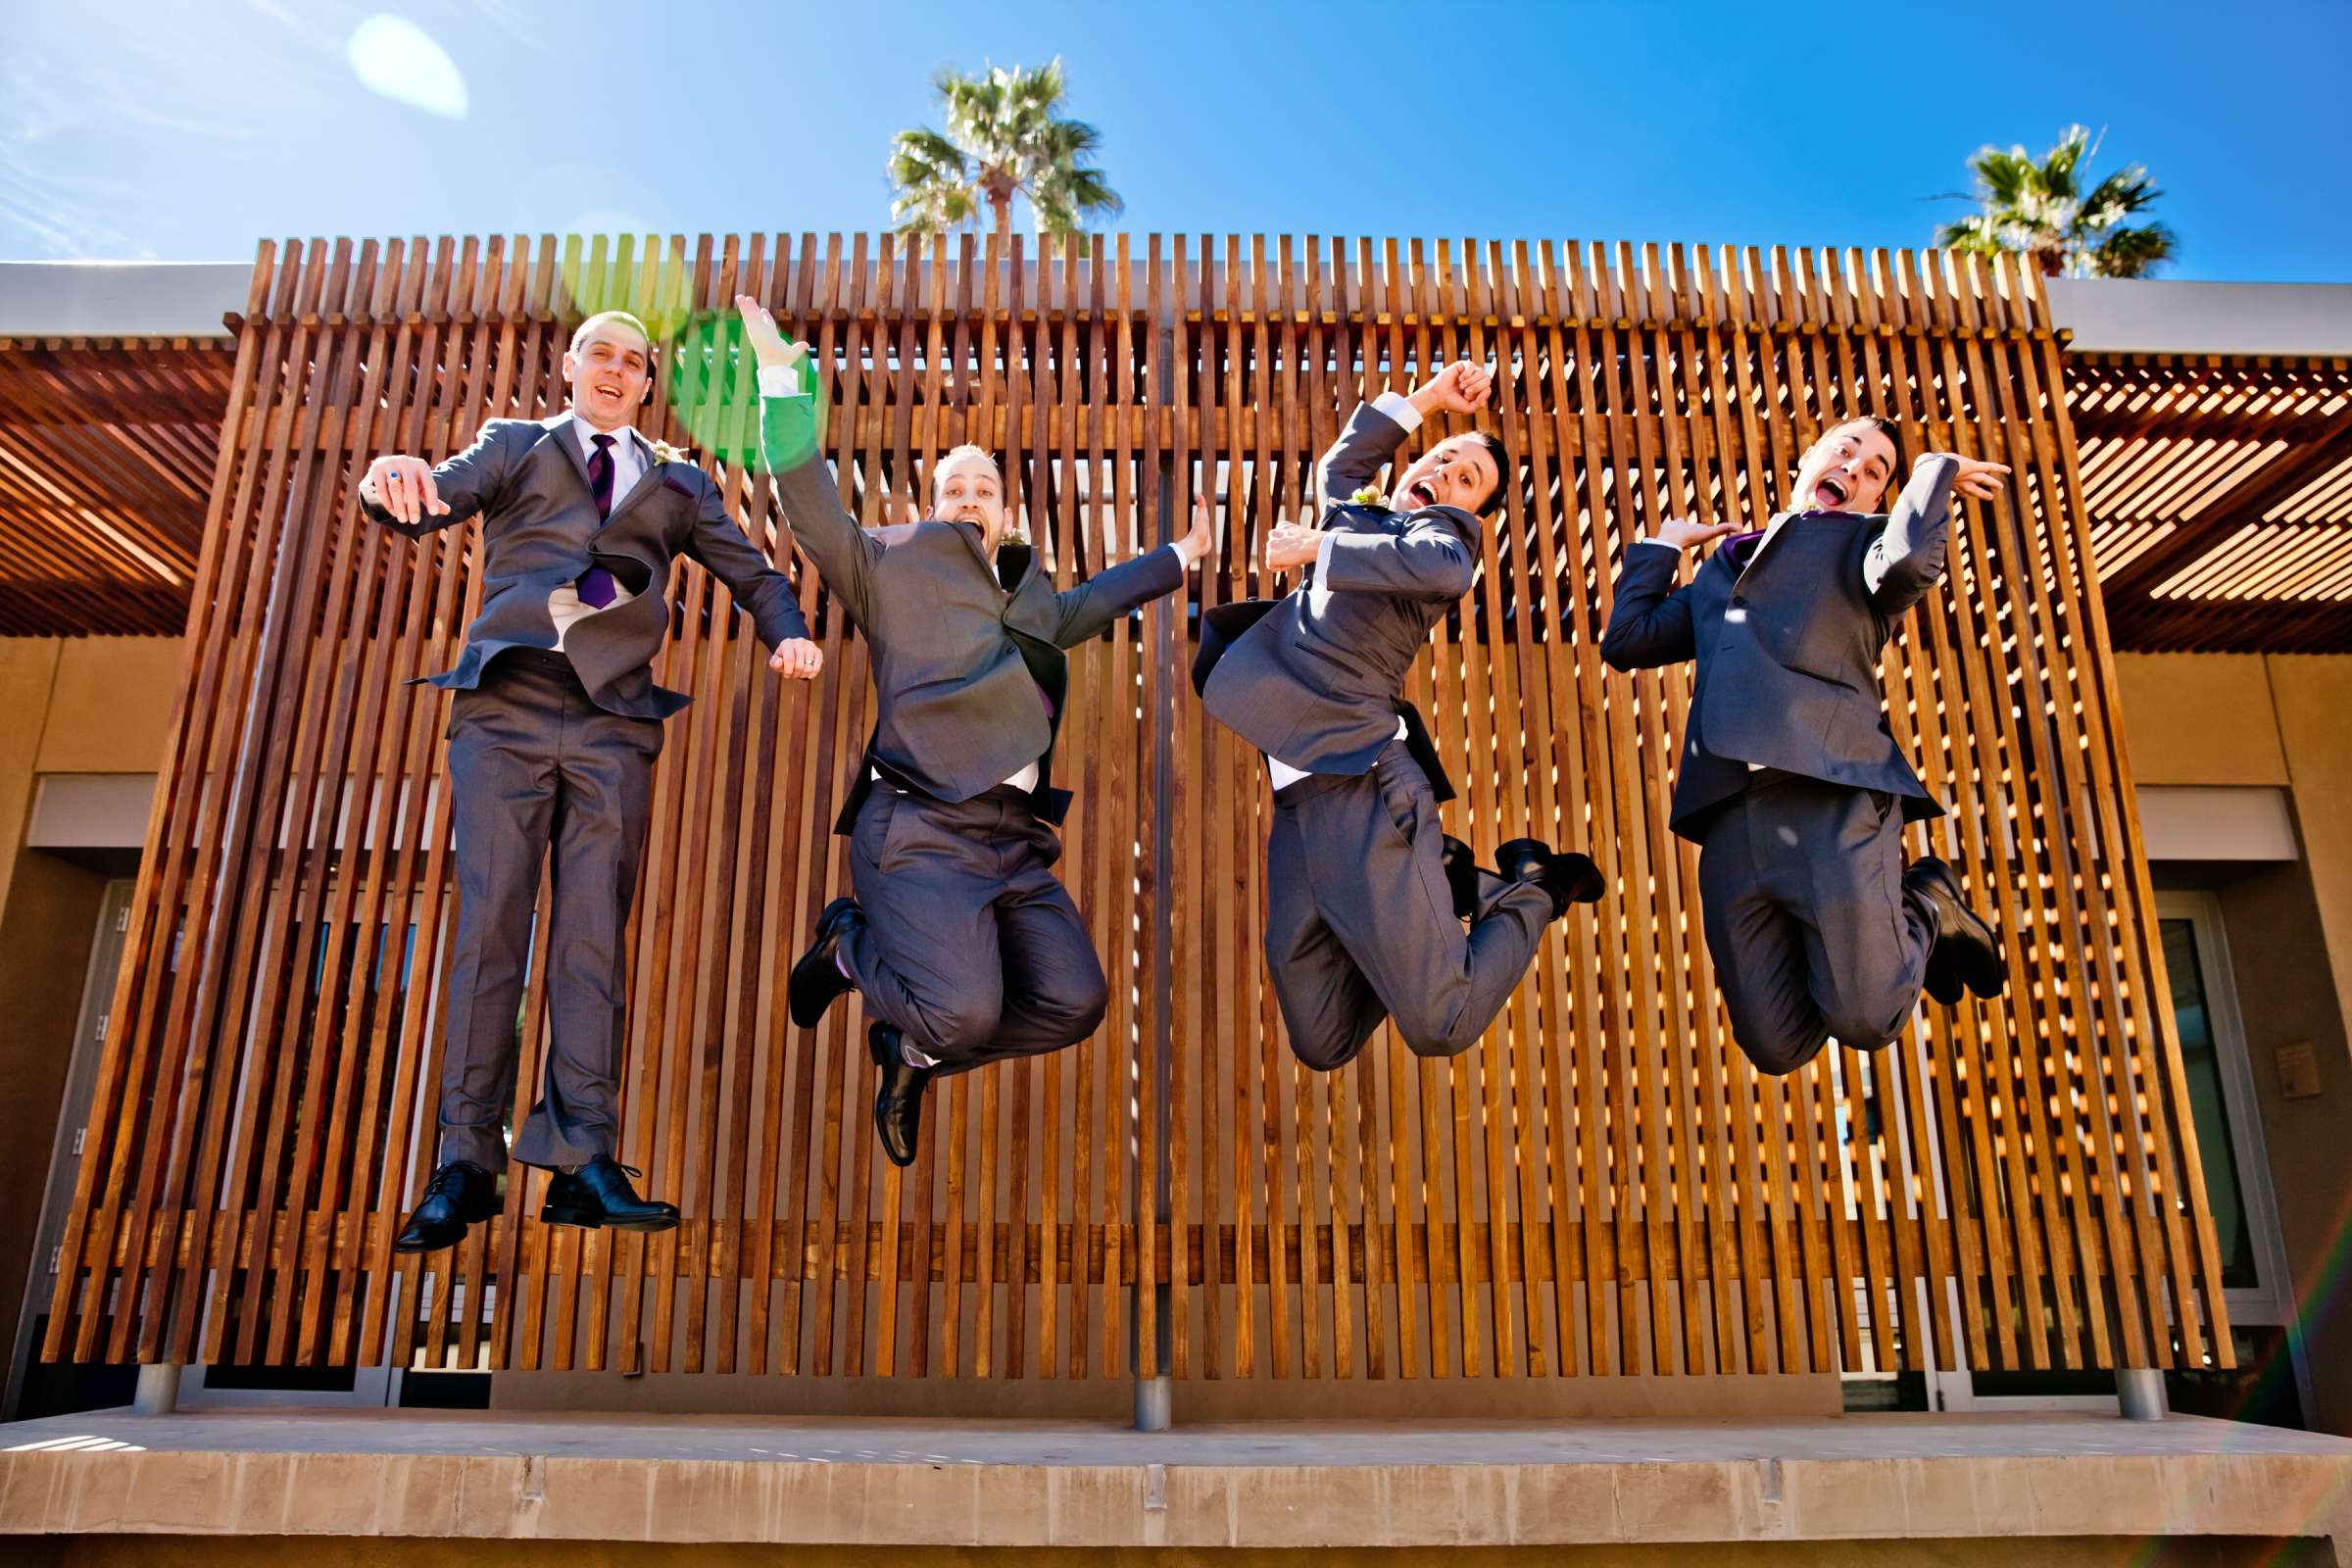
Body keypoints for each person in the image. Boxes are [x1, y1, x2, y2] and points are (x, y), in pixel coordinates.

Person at [360, 309, 823, 1251]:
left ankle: (583, 1162)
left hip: (614, 721)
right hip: (507, 707)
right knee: (492, 925)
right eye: (600, 354)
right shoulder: (515, 446)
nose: (616, 370)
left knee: (589, 941)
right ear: (571, 367)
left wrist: (790, 632)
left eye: (633, 362)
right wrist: (385, 479)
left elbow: (757, 577)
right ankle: (465, 1163)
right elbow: (427, 494)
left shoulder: (680, 482)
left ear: (646, 386)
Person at [737, 295, 1211, 1167]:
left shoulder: (1030, 598)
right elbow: (808, 503)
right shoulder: (887, 566)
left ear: (1005, 515)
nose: (967, 498)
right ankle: (851, 952)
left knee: (1073, 1003)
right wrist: (780, 381)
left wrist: (1180, 556)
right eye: (952, 487)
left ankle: (908, 1051)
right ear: (931, 503)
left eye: (983, 490)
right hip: (919, 831)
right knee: (964, 1010)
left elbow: (1096, 599)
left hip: (1015, 844)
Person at [1196, 363, 1601, 1072]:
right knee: (1322, 1041)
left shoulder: (1442, 541)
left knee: (1441, 1023)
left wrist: (1318, 547)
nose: (1446, 474)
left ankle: (1533, 887)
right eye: (1444, 458)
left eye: (1467, 479)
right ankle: (1439, 889)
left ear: (1473, 513)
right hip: (1299, 806)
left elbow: (1444, 566)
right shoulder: (1365, 517)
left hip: (1370, 789)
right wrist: (1430, 400)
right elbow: (1344, 461)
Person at [1598, 416, 2009, 1075]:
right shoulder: (1723, 565)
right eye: (1845, 450)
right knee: (1776, 1045)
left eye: (1875, 470)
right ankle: (1881, 934)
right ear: (1809, 460)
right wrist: (1663, 546)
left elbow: (1908, 562)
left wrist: (1935, 472)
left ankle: (1926, 903)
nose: (1854, 467)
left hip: (1831, 796)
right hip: (1728, 813)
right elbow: (1629, 640)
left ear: (1879, 501)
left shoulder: (1869, 544)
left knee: (1867, 1018)